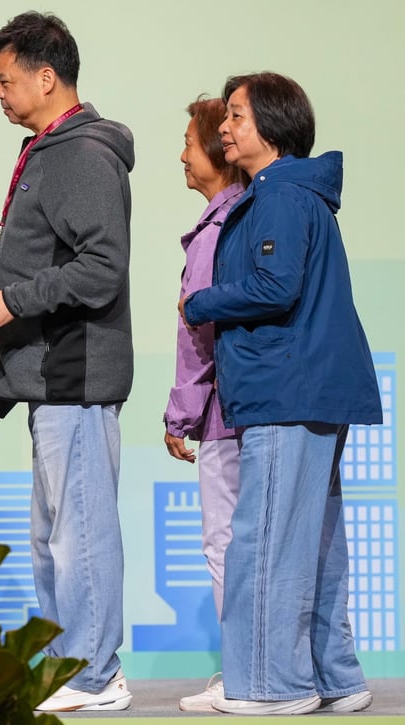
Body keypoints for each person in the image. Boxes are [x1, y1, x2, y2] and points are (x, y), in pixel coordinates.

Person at [180, 72, 380, 715]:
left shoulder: (278, 199)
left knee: (265, 541)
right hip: (308, 388)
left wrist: (200, 300)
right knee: (313, 542)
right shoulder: (294, 194)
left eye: (236, 116)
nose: (224, 128)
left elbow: (275, 286)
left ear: (270, 124)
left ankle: (273, 687)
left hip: (287, 389)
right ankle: (334, 679)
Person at [0, 12, 135, 712]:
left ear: (45, 76)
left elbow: (101, 270)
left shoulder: (81, 154)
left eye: (5, 81)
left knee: (80, 530)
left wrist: (11, 301)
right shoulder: (49, 149)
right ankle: (71, 665)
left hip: (76, 373)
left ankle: (97, 673)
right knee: (54, 534)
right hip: (50, 379)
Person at [164, 97, 247, 712]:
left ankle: (243, 671)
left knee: (225, 543)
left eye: (191, 143)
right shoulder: (247, 216)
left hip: (225, 414)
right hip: (254, 409)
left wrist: (180, 416)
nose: (183, 155)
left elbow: (199, 338)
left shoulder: (215, 232)